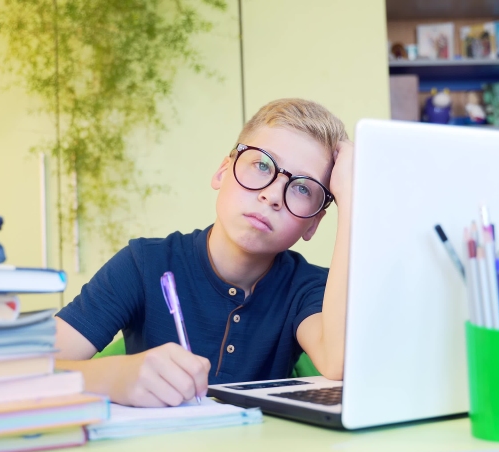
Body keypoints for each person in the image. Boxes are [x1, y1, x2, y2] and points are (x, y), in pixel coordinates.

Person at [53, 98, 352, 407]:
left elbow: (337, 362)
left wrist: (352, 200)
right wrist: (110, 378)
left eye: (303, 188)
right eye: (262, 164)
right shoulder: (144, 263)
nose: (272, 194)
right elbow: (25, 372)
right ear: (223, 171)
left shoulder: (310, 288)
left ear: (313, 222)